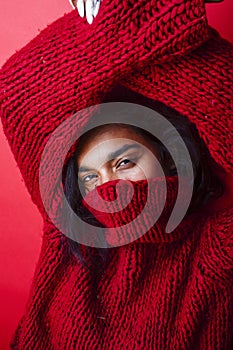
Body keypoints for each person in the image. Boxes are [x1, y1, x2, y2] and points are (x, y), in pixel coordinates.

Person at [0, 0, 232, 348]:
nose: (108, 188)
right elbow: (14, 96)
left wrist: (139, 9)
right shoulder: (68, 234)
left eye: (124, 162)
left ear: (170, 157)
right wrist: (123, 26)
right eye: (89, 177)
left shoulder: (217, 248)